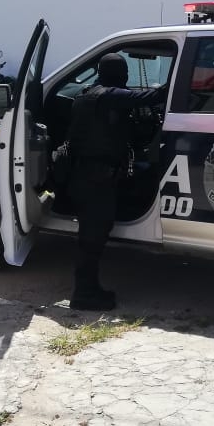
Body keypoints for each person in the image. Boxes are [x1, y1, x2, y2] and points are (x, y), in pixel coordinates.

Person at [65, 53, 167, 310]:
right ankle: (83, 295)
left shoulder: (86, 95)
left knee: (92, 234)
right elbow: (152, 97)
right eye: (124, 74)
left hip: (85, 175)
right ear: (121, 75)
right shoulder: (110, 96)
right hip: (96, 178)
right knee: (92, 238)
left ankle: (90, 289)